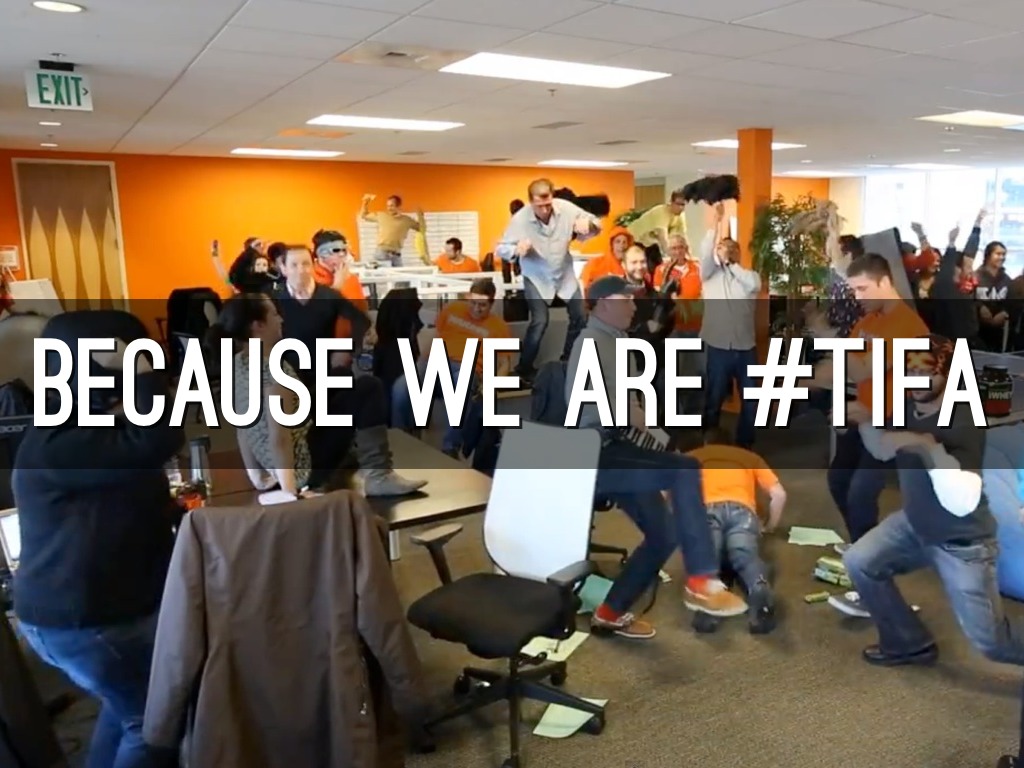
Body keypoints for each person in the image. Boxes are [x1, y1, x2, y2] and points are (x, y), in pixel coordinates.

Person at [13, 310, 182, 768]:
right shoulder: (59, 440)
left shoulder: (90, 426)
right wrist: (141, 375)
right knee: (153, 723)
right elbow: (159, 438)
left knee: (127, 707)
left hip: (98, 609)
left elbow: (139, 479)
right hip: (86, 620)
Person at [567, 275, 747, 641]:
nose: (635, 305)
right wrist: (661, 446)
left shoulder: (617, 340)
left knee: (664, 534)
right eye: (627, 300)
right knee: (685, 470)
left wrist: (659, 448)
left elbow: (634, 410)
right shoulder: (593, 343)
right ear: (604, 304)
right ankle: (701, 580)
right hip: (595, 454)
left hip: (620, 448)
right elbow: (618, 409)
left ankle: (609, 612)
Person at [837, 334, 1024, 680]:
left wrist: (928, 448)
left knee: (993, 644)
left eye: (927, 373)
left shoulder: (964, 417)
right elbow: (882, 448)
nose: (917, 381)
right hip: (915, 523)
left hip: (961, 542)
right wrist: (866, 420)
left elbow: (962, 500)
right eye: (910, 372)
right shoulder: (908, 405)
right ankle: (908, 642)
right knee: (860, 561)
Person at [272, 249, 425, 496]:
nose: (300, 270)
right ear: (283, 268)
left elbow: (360, 320)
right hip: (292, 390)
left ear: (312, 266)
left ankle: (376, 472)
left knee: (358, 383)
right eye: (294, 265)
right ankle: (342, 459)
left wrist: (346, 348)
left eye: (305, 264)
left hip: (322, 377)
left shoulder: (327, 296)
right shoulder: (273, 302)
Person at [391, 278, 513, 457]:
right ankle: (400, 439)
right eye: (473, 303)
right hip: (436, 362)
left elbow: (504, 363)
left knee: (462, 383)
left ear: (491, 303)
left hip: (466, 368)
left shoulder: (499, 327)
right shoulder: (452, 310)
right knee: (401, 386)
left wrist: (491, 385)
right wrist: (419, 365)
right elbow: (436, 337)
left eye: (482, 305)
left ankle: (450, 447)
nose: (476, 309)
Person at [496, 177, 598, 385]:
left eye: (548, 204)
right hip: (536, 276)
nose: (544, 210)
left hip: (564, 273)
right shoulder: (521, 219)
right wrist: (516, 250)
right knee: (540, 321)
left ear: (553, 198)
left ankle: (567, 361)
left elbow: (596, 224)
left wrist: (588, 224)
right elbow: (500, 248)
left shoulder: (566, 209)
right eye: (539, 205)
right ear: (531, 202)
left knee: (580, 316)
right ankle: (524, 368)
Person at [687, 429, 786, 634]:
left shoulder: (694, 456)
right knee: (745, 555)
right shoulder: (750, 457)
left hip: (705, 510)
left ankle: (709, 600)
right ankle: (759, 589)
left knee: (709, 556)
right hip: (742, 510)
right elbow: (779, 494)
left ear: (706, 443)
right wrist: (770, 526)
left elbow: (664, 489)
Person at [699, 201, 761, 449]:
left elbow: (753, 285)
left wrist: (731, 263)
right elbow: (705, 252)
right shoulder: (709, 276)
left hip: (746, 348)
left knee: (751, 400)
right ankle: (709, 442)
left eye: (731, 248)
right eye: (722, 248)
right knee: (713, 398)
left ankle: (745, 444)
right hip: (718, 347)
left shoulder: (749, 277)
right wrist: (716, 222)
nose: (726, 251)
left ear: (738, 253)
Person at [360, 193, 424, 267]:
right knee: (381, 274)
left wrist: (421, 216)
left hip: (396, 256)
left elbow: (421, 228)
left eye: (391, 206)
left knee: (399, 274)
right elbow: (364, 215)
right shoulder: (381, 216)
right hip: (381, 254)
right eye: (388, 206)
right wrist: (365, 202)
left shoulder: (407, 220)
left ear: (399, 206)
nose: (389, 208)